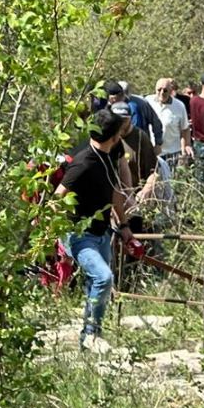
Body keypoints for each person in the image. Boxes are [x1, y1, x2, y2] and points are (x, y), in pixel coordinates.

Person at [55, 107, 137, 349]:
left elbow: (115, 192)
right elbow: (57, 197)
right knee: (104, 277)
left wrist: (123, 225)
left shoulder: (110, 154)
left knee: (96, 283)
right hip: (80, 236)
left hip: (102, 233)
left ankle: (88, 338)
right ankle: (91, 334)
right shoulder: (83, 163)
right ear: (114, 136)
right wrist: (55, 234)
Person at [146, 78, 193, 169]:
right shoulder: (148, 101)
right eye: (159, 90)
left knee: (172, 182)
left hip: (172, 154)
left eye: (165, 90)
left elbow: (185, 129)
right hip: (153, 153)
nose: (162, 92)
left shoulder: (179, 106)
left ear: (171, 91)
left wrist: (185, 148)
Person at [105, 80, 163, 148]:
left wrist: (158, 144)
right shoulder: (110, 105)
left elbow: (156, 122)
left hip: (140, 144)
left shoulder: (140, 104)